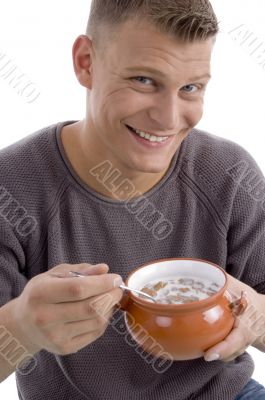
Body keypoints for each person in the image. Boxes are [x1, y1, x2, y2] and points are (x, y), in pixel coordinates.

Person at [0, 0, 265, 399]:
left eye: (190, 87)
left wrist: (256, 318)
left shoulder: (230, 174)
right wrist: (20, 327)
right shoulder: (12, 185)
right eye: (144, 80)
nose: (169, 118)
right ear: (86, 62)